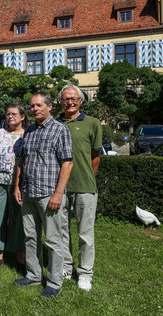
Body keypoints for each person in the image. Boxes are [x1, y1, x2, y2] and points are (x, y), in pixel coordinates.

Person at [13, 92, 73, 299]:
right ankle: (34, 275)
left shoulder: (60, 130)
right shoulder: (29, 131)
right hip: (28, 192)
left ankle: (55, 282)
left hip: (49, 194)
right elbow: (21, 160)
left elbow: (67, 162)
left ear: (49, 107)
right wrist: (17, 187)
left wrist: (58, 193)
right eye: (32, 106)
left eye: (39, 105)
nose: (35, 109)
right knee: (30, 236)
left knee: (53, 240)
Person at [58, 84, 102, 292]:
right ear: (60, 102)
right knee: (62, 231)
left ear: (81, 101)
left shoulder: (93, 123)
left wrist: (87, 178)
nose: (70, 102)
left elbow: (95, 156)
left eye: (74, 98)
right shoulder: (56, 124)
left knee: (85, 233)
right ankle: (66, 267)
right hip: (60, 187)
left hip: (85, 186)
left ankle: (85, 273)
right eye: (66, 99)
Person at [0, 104, 28, 271]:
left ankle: (20, 256)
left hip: (19, 183)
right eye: (8, 114)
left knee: (19, 219)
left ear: (23, 117)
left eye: (14, 114)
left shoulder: (28, 134)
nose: (10, 116)